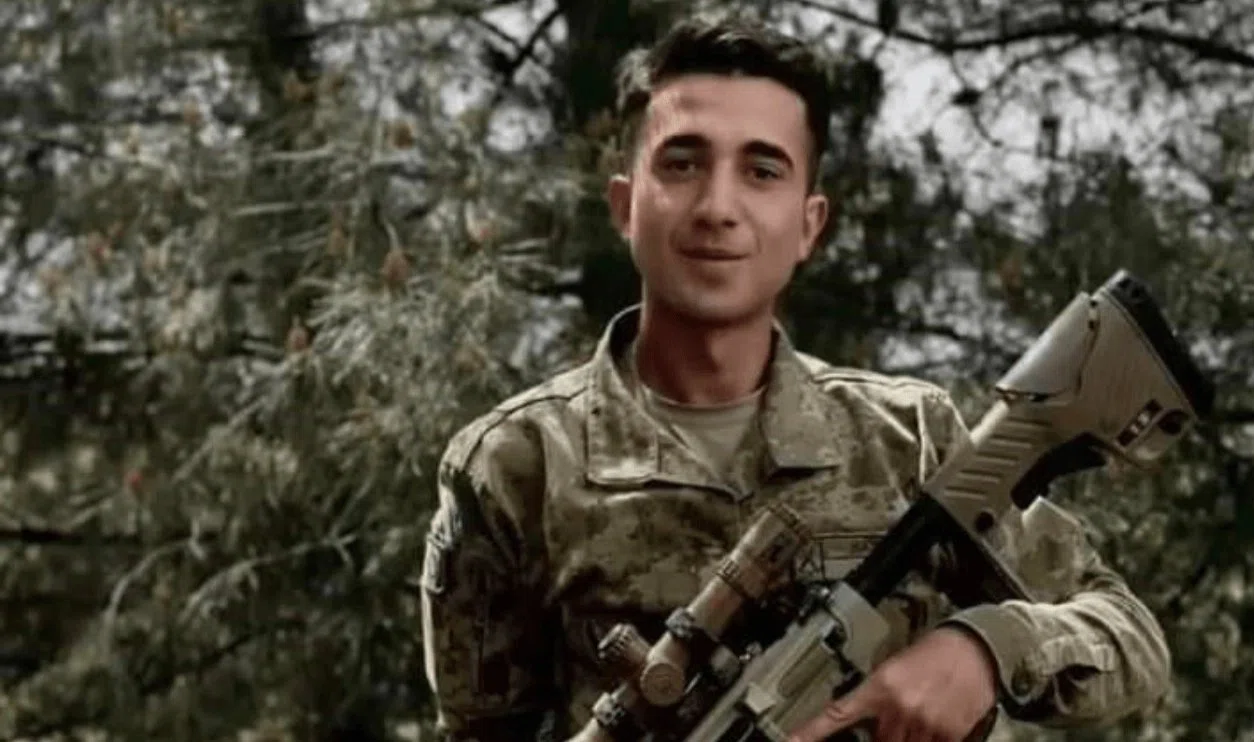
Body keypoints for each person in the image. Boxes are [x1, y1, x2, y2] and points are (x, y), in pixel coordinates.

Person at [420, 13, 1172, 742]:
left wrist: (986, 649)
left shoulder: (909, 440)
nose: (718, 207)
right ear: (625, 206)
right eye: (681, 163)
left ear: (809, 223)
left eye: (761, 170)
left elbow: (1128, 633)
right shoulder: (515, 467)